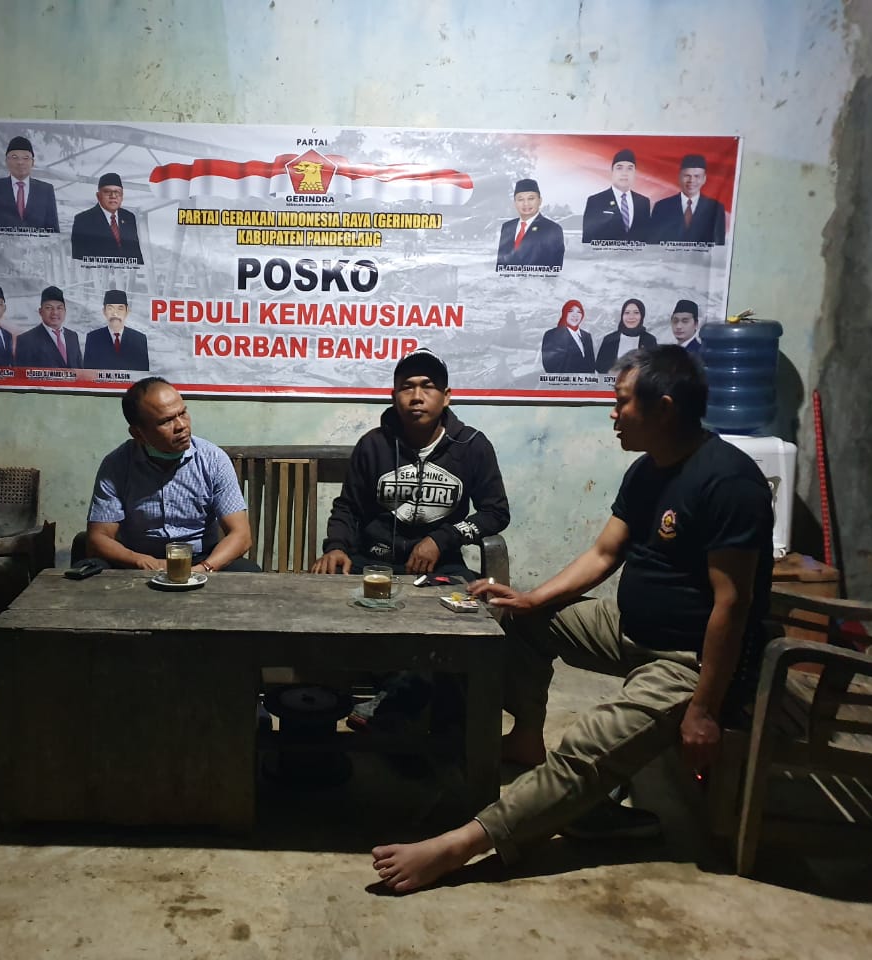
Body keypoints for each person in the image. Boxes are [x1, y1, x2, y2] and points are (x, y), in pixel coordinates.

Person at [371, 345, 773, 893]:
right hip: (630, 629)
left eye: (622, 402)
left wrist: (703, 709)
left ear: (664, 408)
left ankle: (457, 846)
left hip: (689, 658)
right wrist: (532, 600)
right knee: (516, 620)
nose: (613, 413)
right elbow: (604, 554)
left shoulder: (728, 482)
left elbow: (733, 605)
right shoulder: (649, 470)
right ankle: (526, 739)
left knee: (585, 748)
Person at [312, 348, 509, 579]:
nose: (417, 396)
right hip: (370, 563)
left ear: (446, 396)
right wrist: (336, 547)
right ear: (394, 397)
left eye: (428, 386)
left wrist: (442, 539)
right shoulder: (372, 445)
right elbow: (348, 507)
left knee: (467, 598)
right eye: (407, 387)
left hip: (441, 566)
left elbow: (495, 513)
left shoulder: (471, 445)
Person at [85, 377, 258, 573]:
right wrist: (143, 562)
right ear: (138, 434)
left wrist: (203, 568)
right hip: (138, 560)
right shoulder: (117, 465)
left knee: (248, 571)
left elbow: (241, 535)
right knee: (87, 572)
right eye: (166, 421)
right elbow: (98, 538)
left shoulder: (213, 460)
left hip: (200, 559)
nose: (181, 426)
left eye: (183, 413)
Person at [0, 135, 60, 231]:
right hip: (2, 241)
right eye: (14, 157)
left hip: (36, 241)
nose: (20, 162)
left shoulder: (45, 190)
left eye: (26, 158)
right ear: (6, 161)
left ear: (32, 162)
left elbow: (53, 230)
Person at [650, 154, 727, 245]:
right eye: (687, 175)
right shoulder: (662, 207)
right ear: (679, 177)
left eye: (697, 176)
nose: (691, 180)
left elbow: (719, 245)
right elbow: (653, 243)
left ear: (704, 179)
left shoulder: (715, 209)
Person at [581, 149, 652, 243]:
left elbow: (647, 238)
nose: (624, 173)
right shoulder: (596, 201)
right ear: (612, 171)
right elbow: (587, 240)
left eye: (630, 168)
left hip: (636, 253)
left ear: (635, 173)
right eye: (619, 168)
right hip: (605, 253)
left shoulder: (643, 202)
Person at [71, 173, 144, 263]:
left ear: (122, 196)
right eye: (107, 192)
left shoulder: (129, 217)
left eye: (117, 192)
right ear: (98, 196)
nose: (113, 196)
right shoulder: (82, 220)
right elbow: (79, 259)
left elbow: (136, 253)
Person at [495, 178, 565, 271]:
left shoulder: (552, 229)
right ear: (515, 203)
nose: (526, 203)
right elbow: (501, 265)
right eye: (520, 199)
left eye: (531, 198)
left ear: (540, 201)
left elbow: (554, 268)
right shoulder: (507, 227)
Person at [14, 285, 82, 368]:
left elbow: (81, 371)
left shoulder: (73, 336)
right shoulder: (26, 340)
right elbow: (22, 374)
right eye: (49, 308)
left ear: (65, 311)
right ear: (40, 311)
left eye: (59, 308)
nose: (55, 312)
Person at [82, 289, 149, 370]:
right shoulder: (93, 338)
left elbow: (143, 373)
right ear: (104, 311)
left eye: (120, 309)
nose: (115, 313)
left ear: (127, 311)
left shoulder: (139, 339)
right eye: (110, 308)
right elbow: (88, 372)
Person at [594, 298, 658, 373]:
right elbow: (600, 367)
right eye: (627, 313)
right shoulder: (609, 339)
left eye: (636, 312)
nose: (631, 316)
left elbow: (654, 368)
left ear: (642, 315)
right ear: (622, 315)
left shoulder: (649, 340)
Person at [541, 299, 596, 373]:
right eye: (571, 311)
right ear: (565, 313)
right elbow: (549, 365)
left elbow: (591, 365)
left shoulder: (587, 336)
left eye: (579, 312)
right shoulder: (552, 335)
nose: (575, 315)